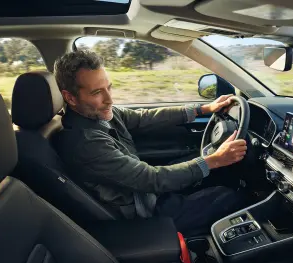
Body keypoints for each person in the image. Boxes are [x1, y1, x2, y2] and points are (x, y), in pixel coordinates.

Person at [54, 50, 250, 234]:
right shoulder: (85, 142)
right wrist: (214, 160)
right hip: (145, 209)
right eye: (97, 92)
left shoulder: (98, 115)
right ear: (70, 97)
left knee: (203, 162)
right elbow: (151, 179)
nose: (109, 99)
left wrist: (204, 109)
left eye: (109, 88)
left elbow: (144, 117)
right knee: (229, 197)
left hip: (144, 191)